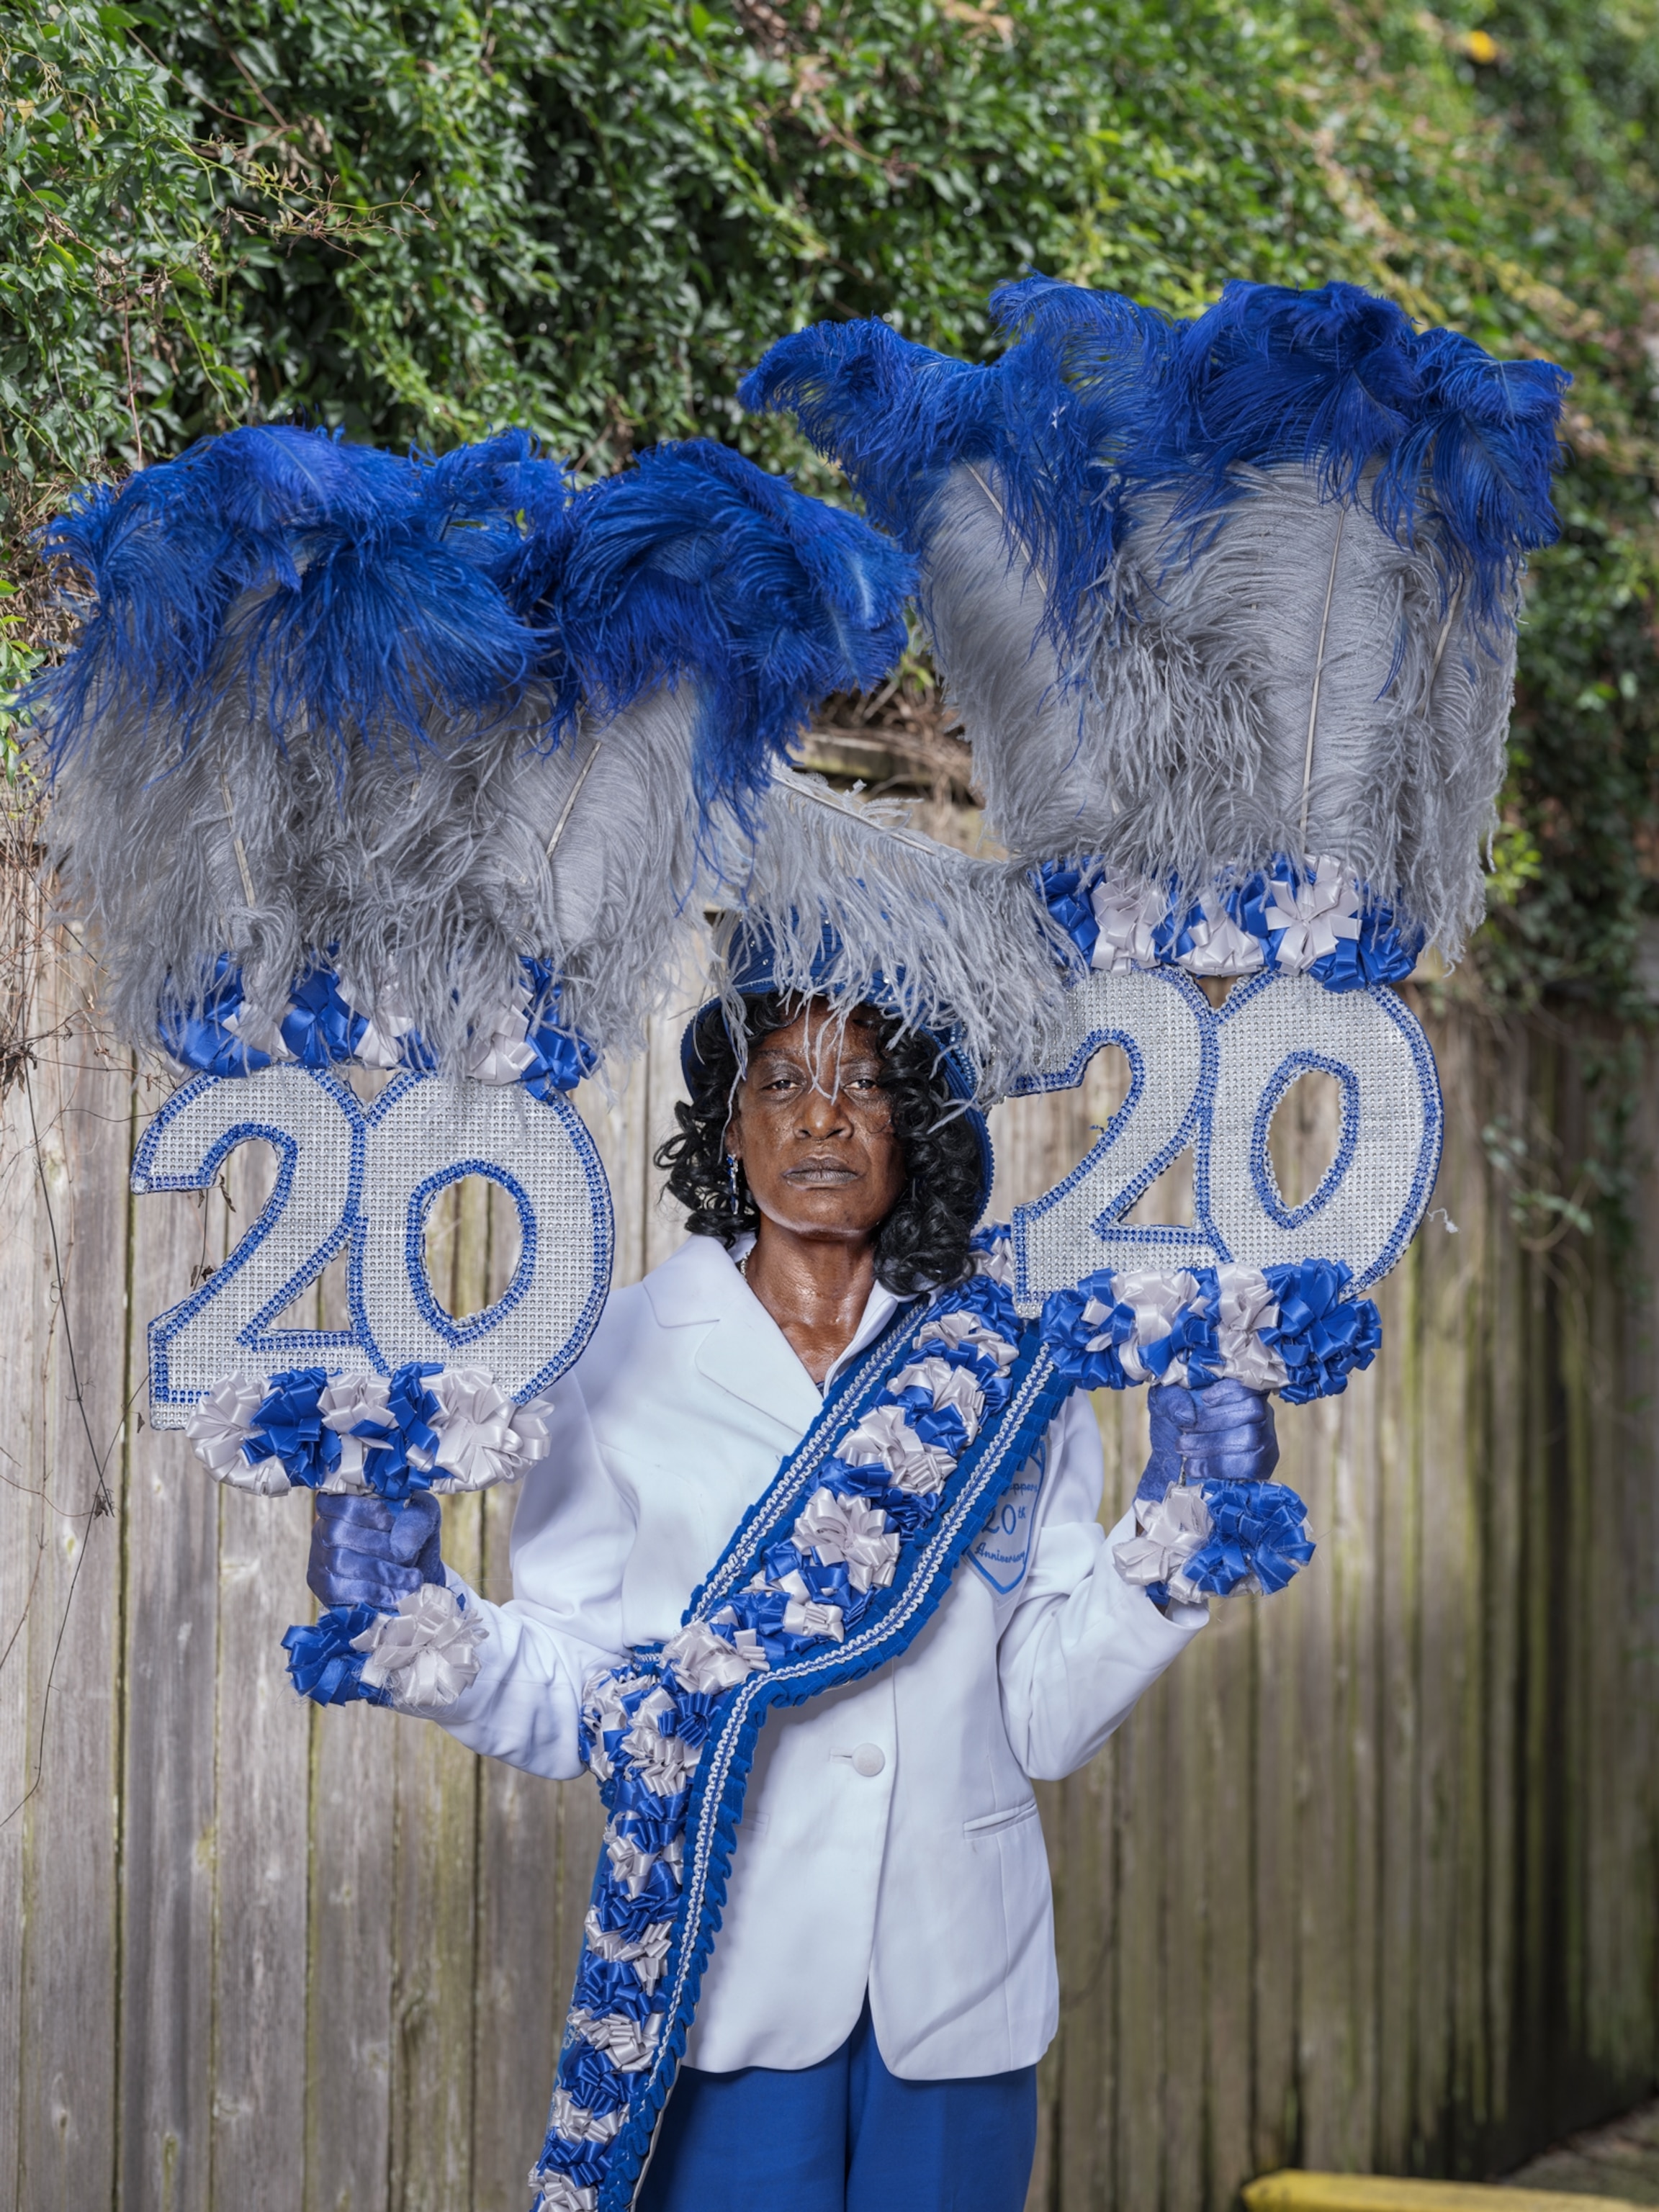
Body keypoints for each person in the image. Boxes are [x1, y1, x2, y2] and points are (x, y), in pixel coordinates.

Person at [307, 986, 1276, 2212]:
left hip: (961, 1996)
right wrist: (413, 1618)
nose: (823, 1115)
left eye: (865, 1082)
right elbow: (588, 1695)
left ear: (914, 1120)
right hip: (727, 1982)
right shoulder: (613, 1356)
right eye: (780, 1082)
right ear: (727, 1125)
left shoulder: (1015, 1364)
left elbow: (1042, 1715)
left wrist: (1181, 1527)